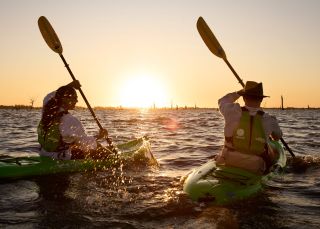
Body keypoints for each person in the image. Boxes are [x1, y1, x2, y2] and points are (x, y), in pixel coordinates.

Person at [215, 81, 283, 175]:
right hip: (255, 165)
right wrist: (274, 125)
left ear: (243, 97)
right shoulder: (270, 120)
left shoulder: (231, 110)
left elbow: (222, 101)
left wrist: (238, 93)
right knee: (271, 150)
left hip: (229, 160)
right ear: (261, 99)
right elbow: (277, 137)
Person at [37, 80, 112, 160]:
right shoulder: (71, 120)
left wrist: (70, 85)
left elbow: (51, 96)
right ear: (65, 99)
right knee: (95, 145)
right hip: (61, 157)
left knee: (74, 143)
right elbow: (83, 142)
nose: (76, 101)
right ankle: (111, 157)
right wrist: (100, 136)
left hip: (44, 153)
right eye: (74, 98)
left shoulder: (47, 108)